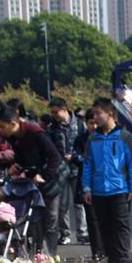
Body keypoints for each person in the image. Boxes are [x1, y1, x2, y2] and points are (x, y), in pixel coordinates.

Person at [0, 105, 62, 255]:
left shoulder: (35, 132)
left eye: (1, 126)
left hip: (48, 182)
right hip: (31, 184)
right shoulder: (13, 137)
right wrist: (18, 166)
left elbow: (55, 157)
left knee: (50, 222)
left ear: (12, 124)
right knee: (33, 222)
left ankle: (51, 257)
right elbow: (22, 158)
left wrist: (43, 175)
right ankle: (36, 255)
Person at [82, 98, 132, 263]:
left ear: (110, 114)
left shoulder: (124, 136)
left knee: (121, 225)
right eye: (94, 114)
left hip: (119, 188)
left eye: (98, 113)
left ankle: (122, 259)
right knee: (104, 226)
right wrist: (87, 187)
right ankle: (111, 259)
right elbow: (87, 164)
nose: (95, 117)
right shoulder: (93, 138)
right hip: (99, 189)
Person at [47, 97, 88, 246]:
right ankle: (64, 233)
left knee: (79, 203)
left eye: (56, 112)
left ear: (64, 109)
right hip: (60, 169)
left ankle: (83, 233)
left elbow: (85, 144)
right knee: (62, 204)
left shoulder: (80, 124)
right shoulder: (52, 128)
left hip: (77, 168)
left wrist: (77, 156)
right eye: (52, 112)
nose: (54, 115)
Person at [72, 109, 104, 261]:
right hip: (87, 184)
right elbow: (76, 156)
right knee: (92, 219)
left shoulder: (107, 137)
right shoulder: (81, 139)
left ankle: (107, 248)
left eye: (96, 122)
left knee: (106, 218)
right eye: (91, 123)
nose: (94, 126)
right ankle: (96, 251)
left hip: (105, 185)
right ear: (86, 123)